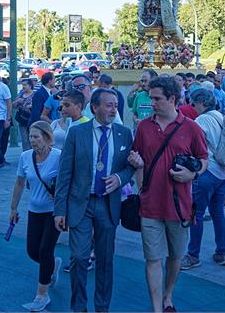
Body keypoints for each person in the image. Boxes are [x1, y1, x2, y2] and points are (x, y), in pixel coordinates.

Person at [127, 76, 208, 313]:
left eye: (157, 98)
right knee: (152, 258)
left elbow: (203, 159)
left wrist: (193, 175)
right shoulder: (144, 127)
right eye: (151, 97)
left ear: (172, 99)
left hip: (179, 205)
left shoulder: (191, 128)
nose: (151, 102)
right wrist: (137, 163)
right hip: (149, 204)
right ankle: (156, 308)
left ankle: (168, 296)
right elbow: (137, 157)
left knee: (175, 256)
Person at [54, 89, 135, 313]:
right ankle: (79, 307)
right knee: (79, 258)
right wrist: (59, 210)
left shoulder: (123, 134)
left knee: (105, 260)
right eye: (108, 105)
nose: (113, 109)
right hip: (81, 203)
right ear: (95, 108)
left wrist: (119, 178)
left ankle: (102, 308)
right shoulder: (77, 133)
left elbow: (130, 167)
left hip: (108, 205)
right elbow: (64, 173)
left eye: (115, 105)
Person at [11, 121, 63, 311]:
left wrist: (60, 197)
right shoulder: (25, 157)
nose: (32, 140)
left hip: (54, 212)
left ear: (47, 137)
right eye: (31, 136)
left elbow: (68, 180)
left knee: (44, 250)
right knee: (33, 251)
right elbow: (19, 183)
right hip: (34, 209)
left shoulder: (58, 156)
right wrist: (13, 208)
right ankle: (53, 265)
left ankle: (42, 295)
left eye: (36, 136)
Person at [180, 88, 225, 272]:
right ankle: (221, 251)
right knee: (217, 213)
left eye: (194, 103)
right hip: (222, 171)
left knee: (196, 214)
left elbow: (193, 144)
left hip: (207, 171)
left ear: (201, 103)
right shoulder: (219, 115)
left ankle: (193, 255)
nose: (193, 107)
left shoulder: (202, 120)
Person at [13, 78, 35, 151]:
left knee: (32, 138)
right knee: (24, 139)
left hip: (31, 120)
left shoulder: (34, 95)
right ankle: (26, 153)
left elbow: (35, 106)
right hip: (22, 119)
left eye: (25, 85)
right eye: (23, 85)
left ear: (30, 85)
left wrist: (23, 102)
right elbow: (14, 105)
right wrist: (16, 102)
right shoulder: (21, 94)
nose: (23, 86)